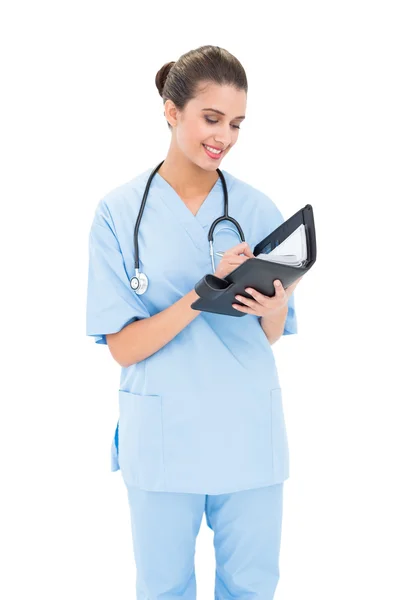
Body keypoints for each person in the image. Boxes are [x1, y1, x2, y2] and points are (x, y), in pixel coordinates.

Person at [86, 44, 302, 600]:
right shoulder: (118, 213)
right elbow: (124, 347)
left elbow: (271, 336)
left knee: (253, 588)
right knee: (162, 589)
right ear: (171, 110)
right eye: (211, 118)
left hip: (247, 432)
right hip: (164, 437)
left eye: (236, 123)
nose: (224, 137)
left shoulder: (255, 208)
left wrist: (273, 307)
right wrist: (204, 292)